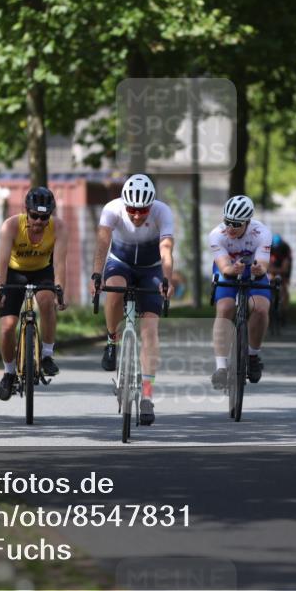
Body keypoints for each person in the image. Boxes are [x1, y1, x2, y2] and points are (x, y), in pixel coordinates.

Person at [91, 174, 173, 426]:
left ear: (152, 205)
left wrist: (167, 279)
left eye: (143, 210)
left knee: (150, 331)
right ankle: (111, 340)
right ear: (124, 204)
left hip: (151, 267)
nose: (137, 215)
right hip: (120, 263)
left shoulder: (162, 211)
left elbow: (166, 249)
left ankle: (147, 395)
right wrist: (96, 274)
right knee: (114, 289)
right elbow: (103, 242)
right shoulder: (112, 209)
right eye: (133, 210)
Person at [0, 187, 68, 400]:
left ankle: (46, 355)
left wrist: (60, 292)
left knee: (46, 301)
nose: (38, 221)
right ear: (26, 211)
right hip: (15, 273)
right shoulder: (11, 226)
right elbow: (2, 264)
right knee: (7, 327)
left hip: (42, 271)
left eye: (44, 217)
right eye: (34, 215)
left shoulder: (59, 227)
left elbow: (60, 265)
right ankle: (8, 372)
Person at [209, 195, 273, 389]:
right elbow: (223, 267)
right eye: (227, 222)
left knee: (261, 309)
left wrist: (258, 270)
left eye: (236, 224)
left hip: (253, 271)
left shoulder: (261, 233)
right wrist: (230, 270)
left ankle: (253, 355)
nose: (230, 228)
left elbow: (263, 265)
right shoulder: (216, 234)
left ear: (247, 222)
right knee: (225, 308)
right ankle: (221, 366)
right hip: (228, 270)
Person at [268, 233, 293, 312]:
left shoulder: (285, 248)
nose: (276, 251)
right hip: (274, 264)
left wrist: (286, 277)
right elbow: (268, 266)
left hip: (283, 263)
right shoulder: (269, 247)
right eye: (275, 249)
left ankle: (284, 308)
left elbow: (286, 268)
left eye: (278, 249)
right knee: (270, 280)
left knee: (284, 286)